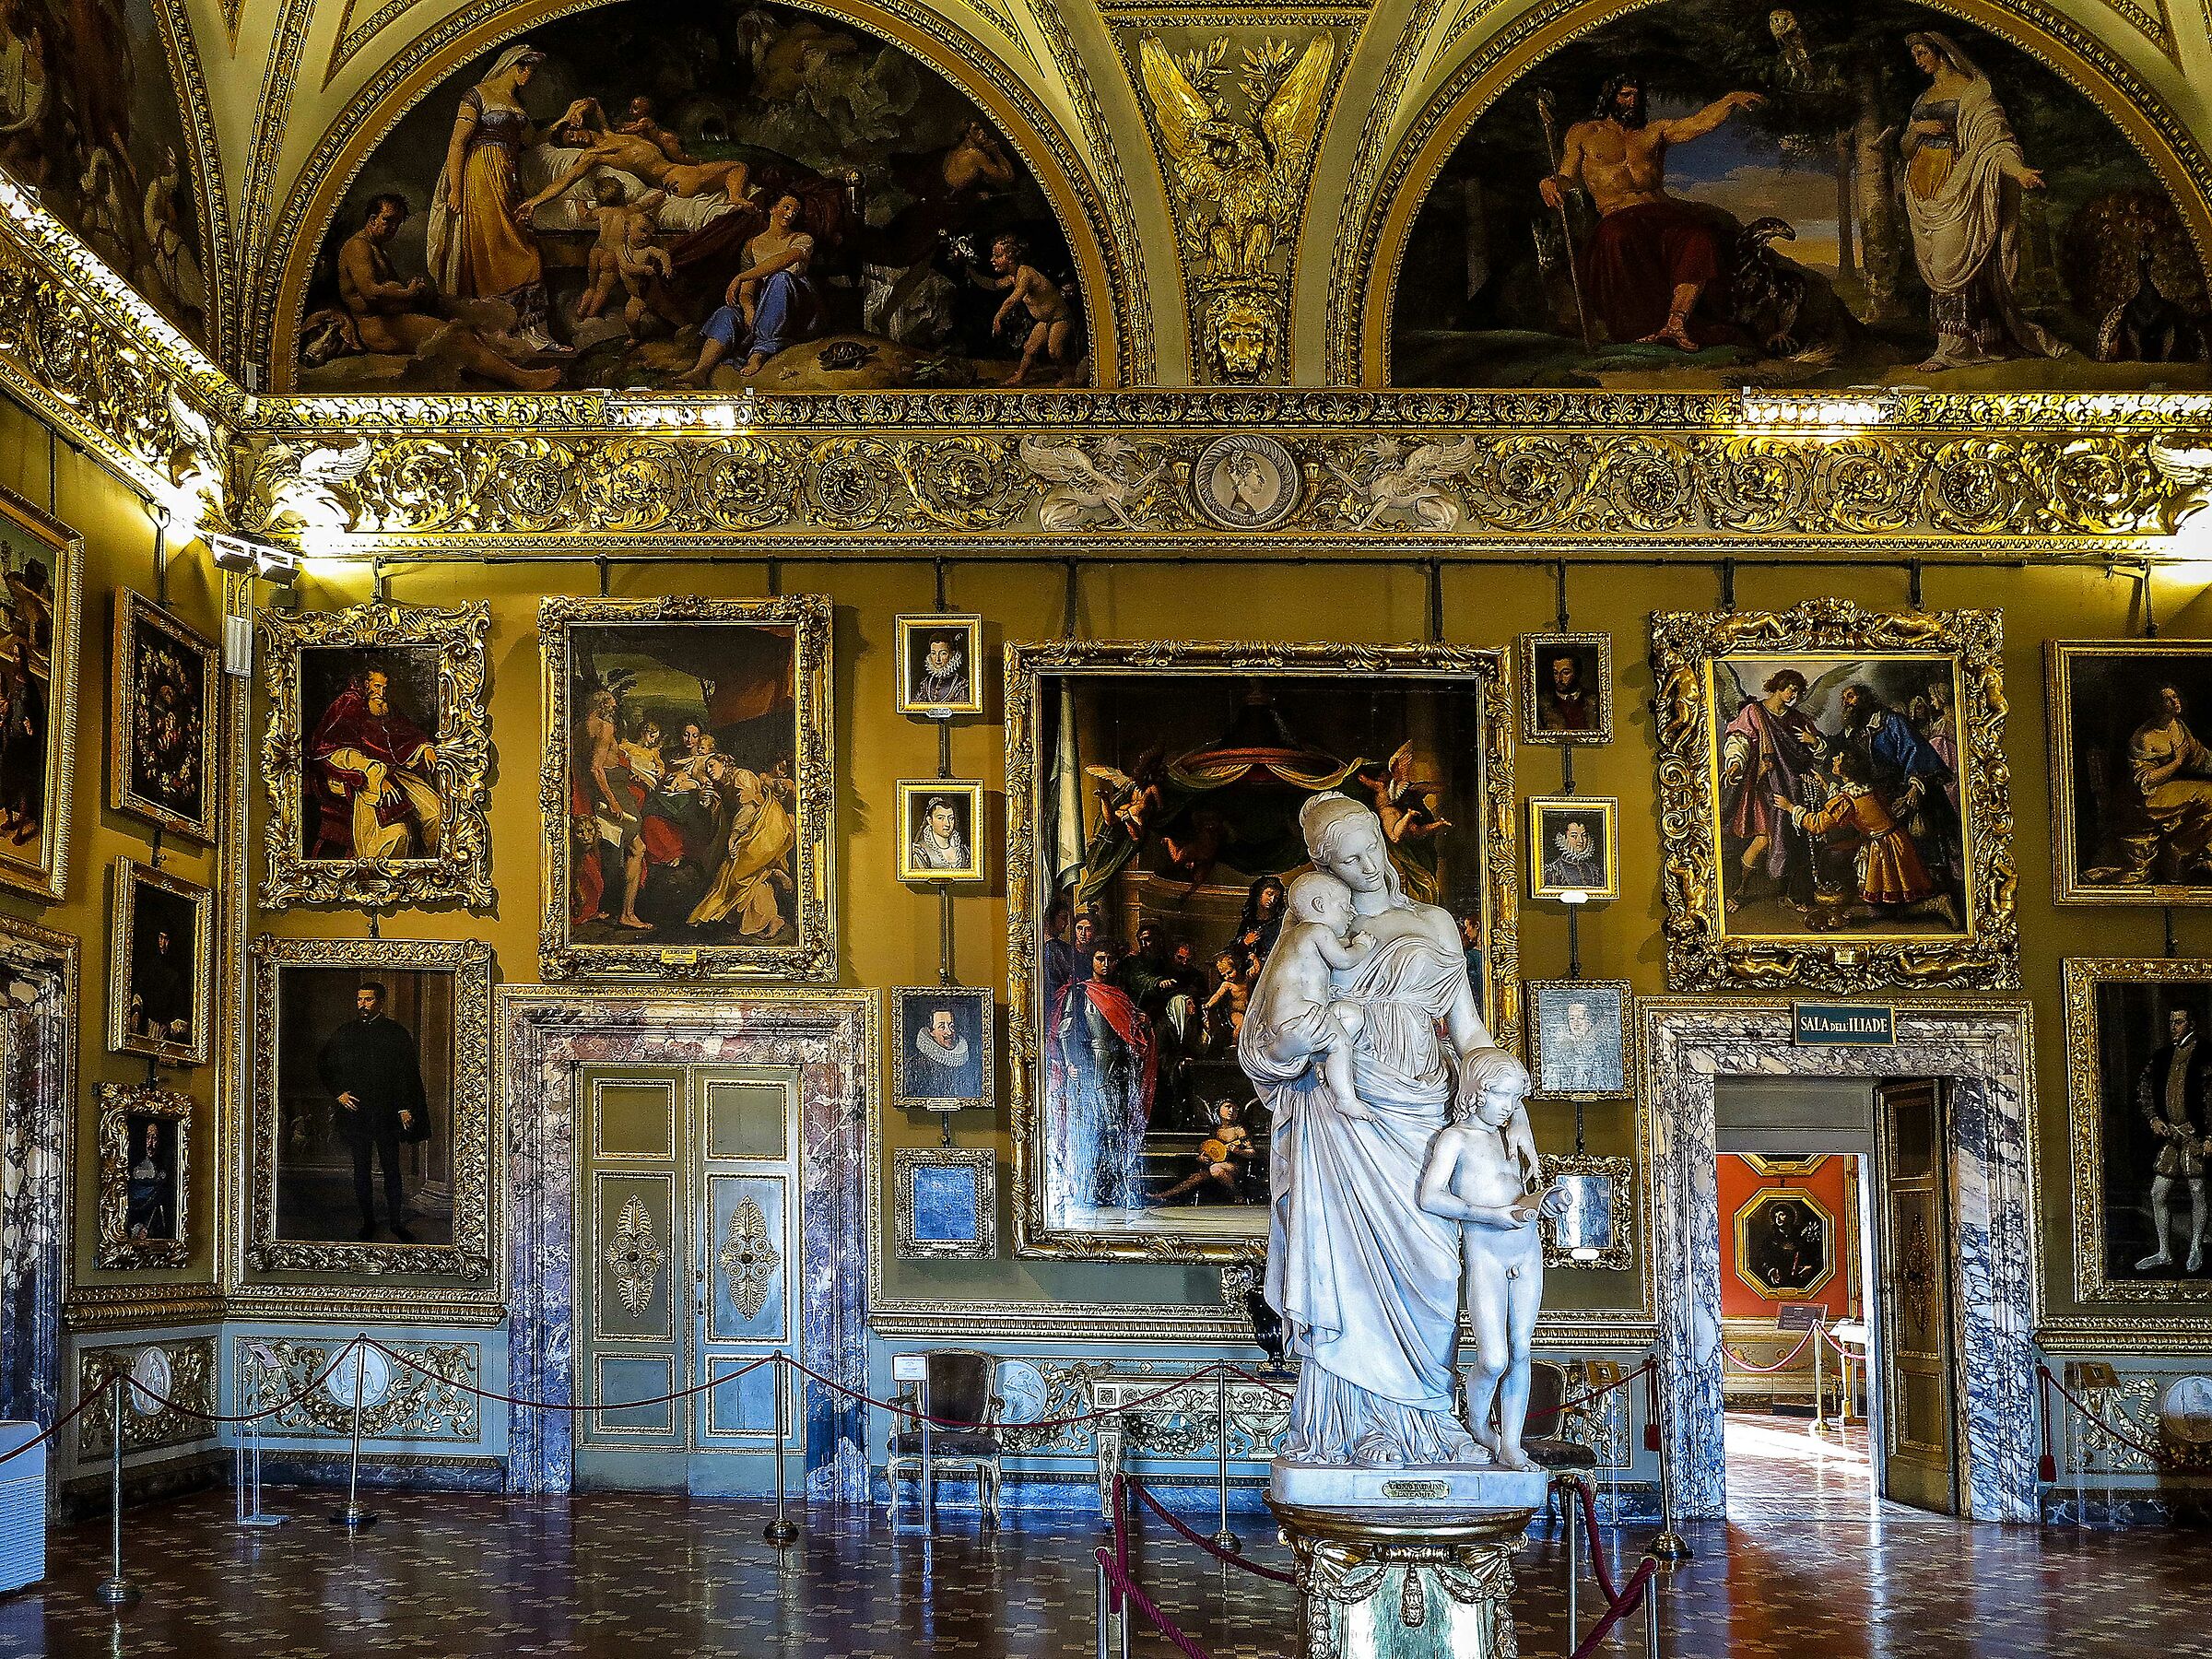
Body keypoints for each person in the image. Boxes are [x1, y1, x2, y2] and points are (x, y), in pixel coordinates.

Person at [1241, 792, 1535, 1468]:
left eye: (1372, 847)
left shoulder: (1431, 923)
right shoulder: (1309, 934)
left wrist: (1514, 1110)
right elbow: (1267, 1039)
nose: (1369, 866)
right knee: (1349, 1273)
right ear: (1324, 865)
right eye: (1349, 859)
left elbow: (1468, 1034)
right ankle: (1353, 1428)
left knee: (1434, 1272)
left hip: (1424, 1114)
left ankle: (1428, 1420)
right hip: (1342, 1122)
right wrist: (1307, 1043)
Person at [1538, 73, 1767, 350]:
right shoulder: (1584, 133)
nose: (1632, 101)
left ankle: (1676, 323)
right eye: (1625, 95)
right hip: (1617, 215)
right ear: (1610, 97)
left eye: (1636, 95)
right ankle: (1639, 326)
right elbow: (1567, 175)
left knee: (1698, 238)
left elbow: (1698, 123)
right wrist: (1552, 182)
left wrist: (1730, 100)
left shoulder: (1654, 132)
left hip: (1662, 213)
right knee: (1616, 237)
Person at [1417, 1048, 1563, 1470]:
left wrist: (1539, 1203)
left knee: (1521, 1351)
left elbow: (1514, 1187)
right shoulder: (1455, 1138)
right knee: (1493, 1357)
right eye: (1502, 1097)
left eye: (1515, 1098)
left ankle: (1512, 1445)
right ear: (1478, 1092)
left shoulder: (1510, 1134)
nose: (1510, 1107)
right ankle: (1480, 1426)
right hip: (1485, 1252)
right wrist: (1492, 1215)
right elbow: (1431, 1197)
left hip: (1526, 1249)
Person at [1898, 31, 2067, 372]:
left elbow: (1995, 143)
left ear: (1941, 51)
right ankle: (1958, 345)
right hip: (1926, 192)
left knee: (1951, 263)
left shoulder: (1974, 93)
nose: (1917, 61)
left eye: (1921, 53)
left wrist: (2017, 171)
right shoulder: (1923, 97)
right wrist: (1917, 131)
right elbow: (1905, 148)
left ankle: (1958, 348)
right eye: (1914, 54)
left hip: (1963, 184)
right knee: (1941, 264)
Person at [427, 43, 591, 355]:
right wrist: (456, 190)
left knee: (528, 252)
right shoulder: (478, 95)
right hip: (480, 179)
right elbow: (458, 143)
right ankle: (502, 333)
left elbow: (533, 141)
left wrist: (565, 118)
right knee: (495, 251)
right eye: (525, 67)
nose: (529, 75)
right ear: (511, 64)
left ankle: (535, 335)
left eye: (532, 70)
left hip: (507, 179)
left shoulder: (516, 106)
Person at [336, 194, 563, 390]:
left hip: (388, 320)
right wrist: (408, 293)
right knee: (454, 335)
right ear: (372, 219)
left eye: (397, 223)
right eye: (388, 221)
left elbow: (386, 290)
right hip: (377, 329)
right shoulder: (359, 247)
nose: (393, 228)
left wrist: (414, 291)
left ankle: (512, 372)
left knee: (470, 321)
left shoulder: (375, 249)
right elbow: (371, 292)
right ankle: (522, 380)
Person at [1241, 870, 1377, 1119]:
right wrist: (1362, 945)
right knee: (1341, 1043)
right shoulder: (1318, 931)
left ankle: (1319, 1060)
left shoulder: (1290, 938)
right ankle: (1345, 1098)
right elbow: (1344, 960)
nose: (1352, 913)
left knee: (1351, 1015)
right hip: (1301, 1012)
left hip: (1288, 1015)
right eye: (1345, 906)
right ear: (1319, 905)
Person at [1772, 748, 1951, 926]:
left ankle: (1938, 904)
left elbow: (1818, 824)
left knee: (1887, 908)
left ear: (1847, 769)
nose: (1834, 758)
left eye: (1839, 757)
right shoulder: (1866, 789)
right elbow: (1850, 805)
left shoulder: (1849, 799)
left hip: (1885, 849)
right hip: (1897, 840)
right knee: (1892, 900)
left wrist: (1790, 808)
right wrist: (1825, 785)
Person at [315, 982, 431, 1243]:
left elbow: (407, 1074)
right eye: (359, 1000)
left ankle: (395, 1223)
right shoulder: (346, 1032)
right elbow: (324, 1063)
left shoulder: (395, 1033)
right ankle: (367, 1222)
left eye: (368, 1000)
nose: (363, 1005)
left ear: (380, 1002)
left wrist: (404, 1107)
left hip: (387, 1113)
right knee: (361, 1169)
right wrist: (339, 1093)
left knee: (391, 1169)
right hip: (357, 1113)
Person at [1048, 941, 1156, 1212]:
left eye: (1110, 959)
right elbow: (1064, 1031)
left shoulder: (1119, 994)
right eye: (1100, 959)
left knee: (1118, 1126)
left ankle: (1117, 1188)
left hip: (1120, 1064)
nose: (1105, 965)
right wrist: (1071, 1063)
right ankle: (1096, 1188)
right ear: (1092, 961)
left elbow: (1128, 1028)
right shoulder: (1081, 992)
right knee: (1102, 1128)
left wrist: (1141, 1022)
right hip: (1094, 1064)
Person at [673, 194, 819, 383]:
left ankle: (760, 351)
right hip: (767, 303)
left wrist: (741, 277)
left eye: (795, 211)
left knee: (780, 278)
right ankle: (702, 369)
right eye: (786, 207)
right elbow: (748, 289)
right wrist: (748, 307)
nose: (790, 214)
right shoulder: (752, 245)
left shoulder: (802, 239)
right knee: (728, 313)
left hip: (797, 307)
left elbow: (784, 261)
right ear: (772, 208)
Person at [1721, 667, 1829, 911]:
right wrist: (1736, 763)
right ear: (1778, 686)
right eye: (1791, 689)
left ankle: (1789, 895)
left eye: (1798, 691)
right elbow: (1739, 739)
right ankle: (1740, 892)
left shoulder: (1797, 718)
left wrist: (1815, 743)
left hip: (1793, 786)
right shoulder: (1754, 712)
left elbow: (1816, 751)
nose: (1794, 695)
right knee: (1764, 840)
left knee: (1795, 839)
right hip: (1765, 786)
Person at [308, 666, 442, 860]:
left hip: (395, 774)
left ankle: (430, 870)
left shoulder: (384, 708)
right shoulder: (347, 705)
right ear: (365, 684)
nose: (381, 693)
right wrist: (376, 777)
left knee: (435, 814)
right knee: (396, 837)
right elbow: (336, 752)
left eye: (385, 688)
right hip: (363, 779)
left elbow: (405, 734)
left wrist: (424, 748)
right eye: (377, 686)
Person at [2135, 1006, 2208, 1274]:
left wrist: (2210, 1135)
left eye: (2178, 1022)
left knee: (2197, 1191)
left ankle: (2196, 1247)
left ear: (2191, 1023)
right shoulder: (2163, 1056)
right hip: (2171, 1136)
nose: (2173, 1027)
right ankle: (2164, 1251)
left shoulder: (2205, 1054)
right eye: (2171, 1022)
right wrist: (2154, 1119)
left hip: (2195, 1136)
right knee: (2158, 1192)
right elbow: (2144, 1088)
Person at [983, 233, 1079, 385]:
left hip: (1060, 319)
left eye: (998, 255)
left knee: (1054, 350)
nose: (992, 259)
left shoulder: (1025, 274)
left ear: (1010, 257)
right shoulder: (1013, 277)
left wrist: (997, 318)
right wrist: (969, 269)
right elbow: (994, 285)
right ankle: (1019, 378)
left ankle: (1068, 378)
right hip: (1046, 321)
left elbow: (1012, 301)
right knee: (1030, 348)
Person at [130, 923, 190, 1047]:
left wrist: (169, 1025)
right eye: (160, 938)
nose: (163, 944)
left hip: (165, 1032)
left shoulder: (177, 974)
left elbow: (180, 1011)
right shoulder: (148, 968)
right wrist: (136, 1011)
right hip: (145, 1025)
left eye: (166, 939)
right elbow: (139, 993)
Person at [1545, 995, 1618, 1094]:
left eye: (1581, 1018)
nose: (1576, 1023)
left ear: (1590, 1020)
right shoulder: (1560, 1049)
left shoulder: (1602, 1049)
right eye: (1572, 1018)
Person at [912, 1005, 982, 1100]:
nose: (949, 1032)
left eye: (951, 1026)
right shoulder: (916, 1065)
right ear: (931, 1032)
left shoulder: (968, 1063)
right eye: (941, 1027)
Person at [125, 1120, 172, 1241]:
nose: (151, 1144)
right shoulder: (135, 1171)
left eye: (155, 1138)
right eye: (148, 1138)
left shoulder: (163, 1172)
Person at [1536, 650, 1597, 733]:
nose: (1559, 679)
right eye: (1555, 673)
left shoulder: (1594, 701)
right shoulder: (1543, 703)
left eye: (1565, 673)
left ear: (1577, 673)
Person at [1544, 815, 1606, 891]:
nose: (1580, 840)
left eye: (1584, 836)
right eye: (1574, 836)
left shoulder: (1595, 870)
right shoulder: (1553, 870)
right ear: (1563, 838)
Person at [909, 794, 970, 873]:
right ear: (930, 821)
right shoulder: (921, 851)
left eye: (951, 818)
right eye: (941, 818)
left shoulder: (964, 851)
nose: (947, 824)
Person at [911, 629, 969, 706]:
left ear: (952, 655)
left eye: (943, 653)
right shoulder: (926, 683)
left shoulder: (961, 684)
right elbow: (916, 708)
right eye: (933, 653)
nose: (937, 659)